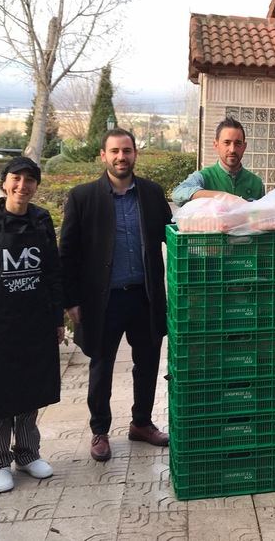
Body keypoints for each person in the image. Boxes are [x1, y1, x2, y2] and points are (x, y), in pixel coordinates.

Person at [59, 128, 172, 462]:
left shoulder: (152, 194)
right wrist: (71, 300)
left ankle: (141, 423)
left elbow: (172, 237)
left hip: (144, 296)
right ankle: (99, 431)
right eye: (115, 151)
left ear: (135, 154)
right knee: (102, 365)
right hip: (102, 300)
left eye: (127, 150)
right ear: (103, 156)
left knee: (148, 363)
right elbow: (67, 253)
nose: (121, 157)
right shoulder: (83, 197)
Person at [0, 156, 64, 493]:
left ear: (37, 185)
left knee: (29, 391)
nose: (22, 186)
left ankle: (28, 453)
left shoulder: (41, 219)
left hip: (34, 323)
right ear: (5, 182)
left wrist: (57, 318)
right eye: (16, 179)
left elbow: (51, 272)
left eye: (29, 180)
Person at [171, 117, 264, 206]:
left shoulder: (256, 184)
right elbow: (178, 193)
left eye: (238, 143)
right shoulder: (204, 177)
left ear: (244, 147)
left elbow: (264, 218)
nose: (232, 149)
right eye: (227, 143)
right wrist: (220, 196)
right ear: (216, 145)